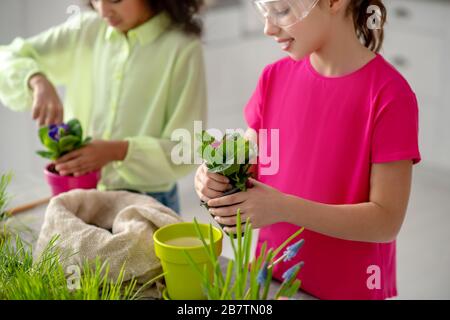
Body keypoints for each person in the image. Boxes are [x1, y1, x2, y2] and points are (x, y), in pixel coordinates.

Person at [194, 0, 420, 299]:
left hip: (350, 289)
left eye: (283, 10)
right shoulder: (273, 77)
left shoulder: (389, 95)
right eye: (266, 12)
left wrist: (282, 207)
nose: (268, 27)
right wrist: (213, 176)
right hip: (272, 279)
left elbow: (385, 222)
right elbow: (247, 163)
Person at [0, 0, 207, 213]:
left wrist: (118, 151)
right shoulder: (86, 29)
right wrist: (36, 79)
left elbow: (185, 149)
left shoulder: (182, 46)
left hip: (149, 203)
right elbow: (6, 55)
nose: (102, 10)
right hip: (80, 199)